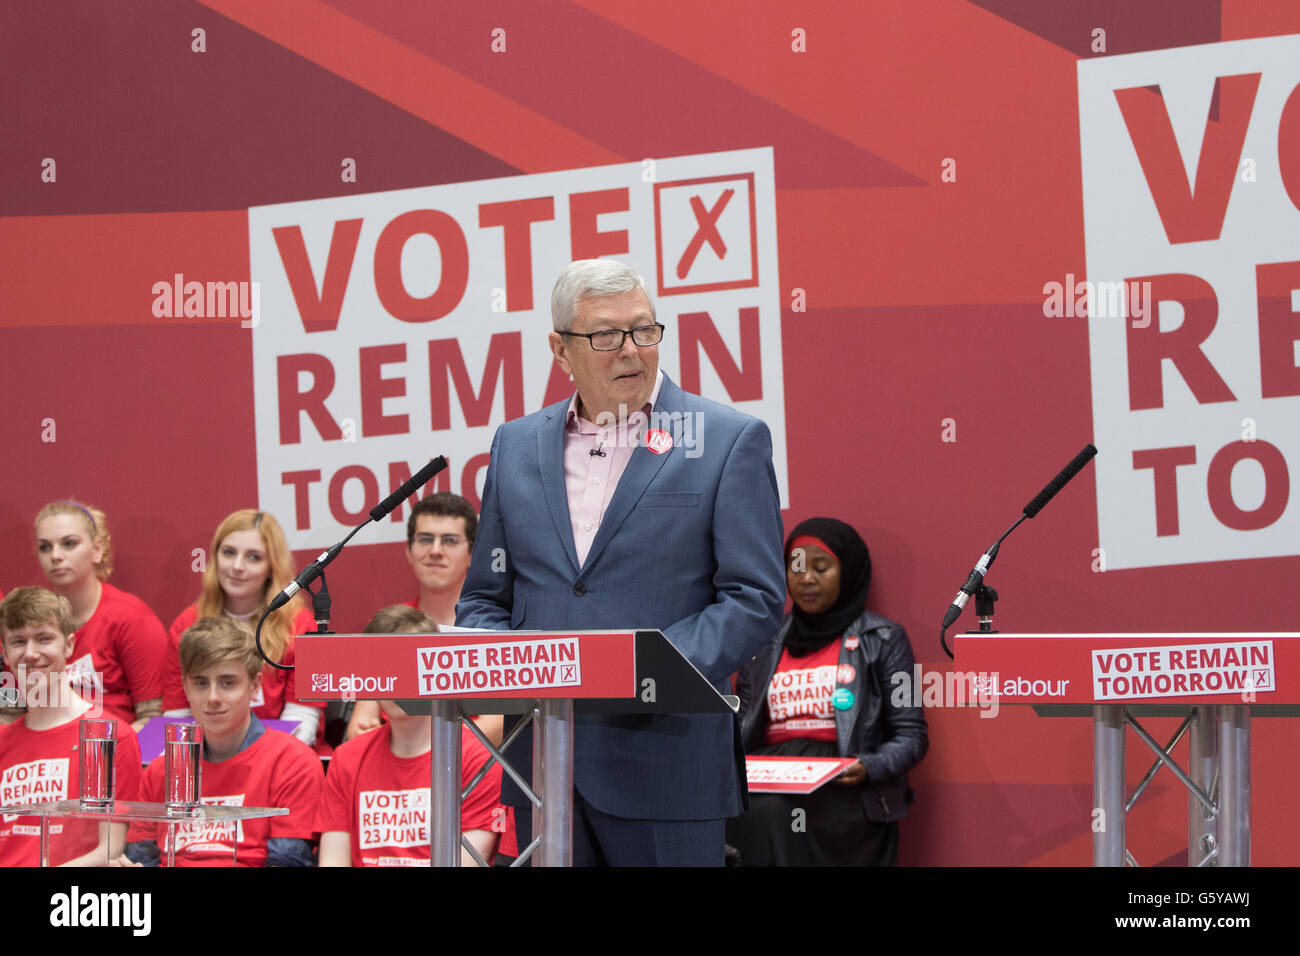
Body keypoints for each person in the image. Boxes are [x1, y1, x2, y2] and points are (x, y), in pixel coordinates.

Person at [456, 258, 786, 866]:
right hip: (539, 768)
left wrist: (644, 670)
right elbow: (484, 597)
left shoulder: (726, 439)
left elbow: (755, 599)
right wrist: (505, 666)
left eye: (644, 330)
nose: (630, 350)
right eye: (605, 336)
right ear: (561, 350)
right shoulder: (515, 445)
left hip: (666, 758)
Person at [727, 518, 928, 866]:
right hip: (773, 774)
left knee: (771, 815)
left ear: (848, 571)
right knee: (740, 811)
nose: (806, 579)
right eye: (797, 567)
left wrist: (867, 766)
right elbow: (741, 723)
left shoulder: (883, 639)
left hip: (844, 787)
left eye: (822, 568)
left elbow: (912, 735)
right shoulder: (764, 640)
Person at [123, 616, 323, 866]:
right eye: (200, 683)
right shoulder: (159, 771)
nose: (213, 697)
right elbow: (141, 859)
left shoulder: (293, 762)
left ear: (255, 685)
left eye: (228, 683)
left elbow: (288, 861)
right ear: (185, 687)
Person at [318, 605, 503, 867]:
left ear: (432, 670)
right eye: (382, 669)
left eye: (406, 667)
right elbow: (332, 861)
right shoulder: (347, 758)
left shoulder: (477, 758)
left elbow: (468, 862)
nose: (394, 681)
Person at [0, 587, 144, 867]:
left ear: (68, 645)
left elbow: (111, 849)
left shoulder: (111, 737)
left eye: (44, 639)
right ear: (4, 653)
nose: (31, 653)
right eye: (18, 641)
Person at [162, 510, 322, 747]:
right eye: (229, 553)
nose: (237, 566)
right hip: (207, 755)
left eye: (254, 557)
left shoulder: (300, 625)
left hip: (280, 756)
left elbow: (303, 720)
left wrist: (259, 761)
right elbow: (178, 717)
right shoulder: (188, 625)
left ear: (272, 567)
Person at [342, 492, 483, 742]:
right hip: (395, 763)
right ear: (408, 550)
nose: (435, 551)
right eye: (425, 539)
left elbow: (501, 723)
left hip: (471, 768)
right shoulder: (388, 626)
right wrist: (366, 732)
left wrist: (431, 749)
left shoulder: (488, 628)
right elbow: (360, 725)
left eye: (449, 541)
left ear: (472, 553)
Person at [32, 500, 167, 730]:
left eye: (69, 544)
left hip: (112, 752)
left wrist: (103, 753)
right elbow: (12, 707)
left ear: (97, 550)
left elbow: (155, 719)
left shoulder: (133, 620)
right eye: (45, 547)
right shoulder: (31, 621)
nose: (55, 555)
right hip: (50, 751)